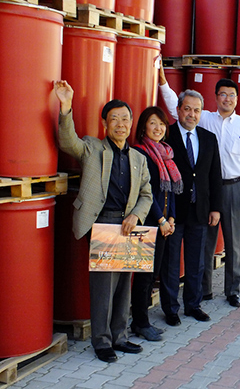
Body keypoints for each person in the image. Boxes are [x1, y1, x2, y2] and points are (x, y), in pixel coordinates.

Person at [53, 80, 153, 363]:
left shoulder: (138, 158)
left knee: (124, 285)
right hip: (103, 224)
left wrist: (137, 215)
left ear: (132, 123)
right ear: (105, 124)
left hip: (129, 226)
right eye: (114, 119)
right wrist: (66, 107)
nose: (120, 124)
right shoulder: (92, 147)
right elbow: (67, 141)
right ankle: (102, 341)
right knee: (103, 287)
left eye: (125, 118)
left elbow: (147, 193)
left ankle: (120, 337)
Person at [159, 70, 240, 308]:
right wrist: (163, 82)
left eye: (231, 95)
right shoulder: (203, 118)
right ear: (215, 97)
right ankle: (204, 291)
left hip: (234, 187)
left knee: (234, 243)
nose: (227, 99)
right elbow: (176, 107)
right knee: (205, 243)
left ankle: (232, 291)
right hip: (205, 191)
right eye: (222, 94)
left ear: (237, 99)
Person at [160, 89, 223, 325]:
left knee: (197, 262)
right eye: (187, 109)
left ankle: (193, 305)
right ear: (178, 110)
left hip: (200, 210)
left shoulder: (208, 138)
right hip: (174, 212)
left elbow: (214, 175)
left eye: (196, 110)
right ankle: (170, 309)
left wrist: (215, 208)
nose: (191, 114)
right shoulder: (167, 136)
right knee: (171, 263)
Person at [130, 106, 181, 340]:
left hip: (163, 224)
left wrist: (171, 218)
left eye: (161, 123)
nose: (158, 128)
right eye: (153, 123)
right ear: (143, 127)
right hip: (148, 223)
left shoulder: (166, 153)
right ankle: (140, 323)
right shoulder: (140, 153)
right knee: (143, 275)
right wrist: (161, 219)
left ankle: (144, 321)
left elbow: (171, 190)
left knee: (153, 275)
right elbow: (145, 191)